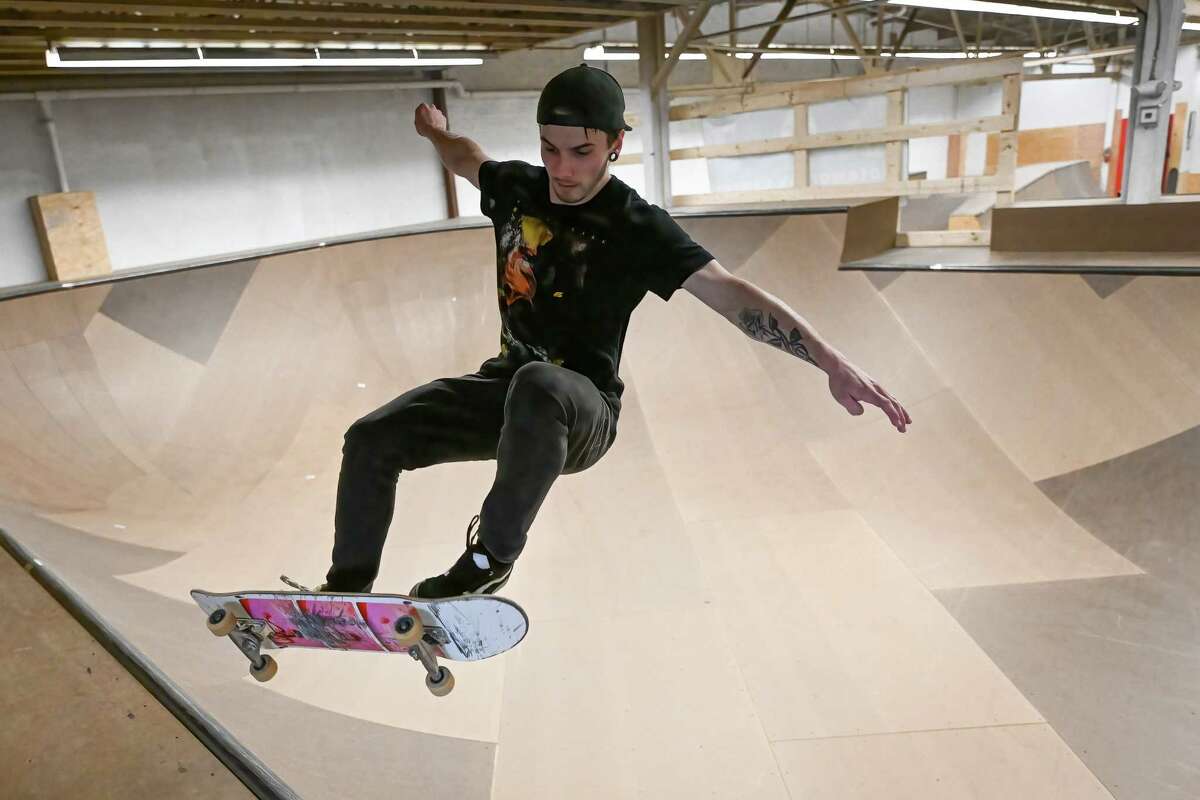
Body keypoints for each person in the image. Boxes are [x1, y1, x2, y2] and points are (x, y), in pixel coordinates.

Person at [318, 63, 911, 598]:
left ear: (615, 145)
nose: (562, 170)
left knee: (539, 382)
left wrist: (830, 360)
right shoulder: (517, 187)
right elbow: (465, 157)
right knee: (371, 438)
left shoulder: (636, 226)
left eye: (580, 152)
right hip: (503, 396)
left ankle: (488, 559)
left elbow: (731, 294)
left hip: (581, 411)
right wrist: (433, 132)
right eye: (549, 150)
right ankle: (346, 589)